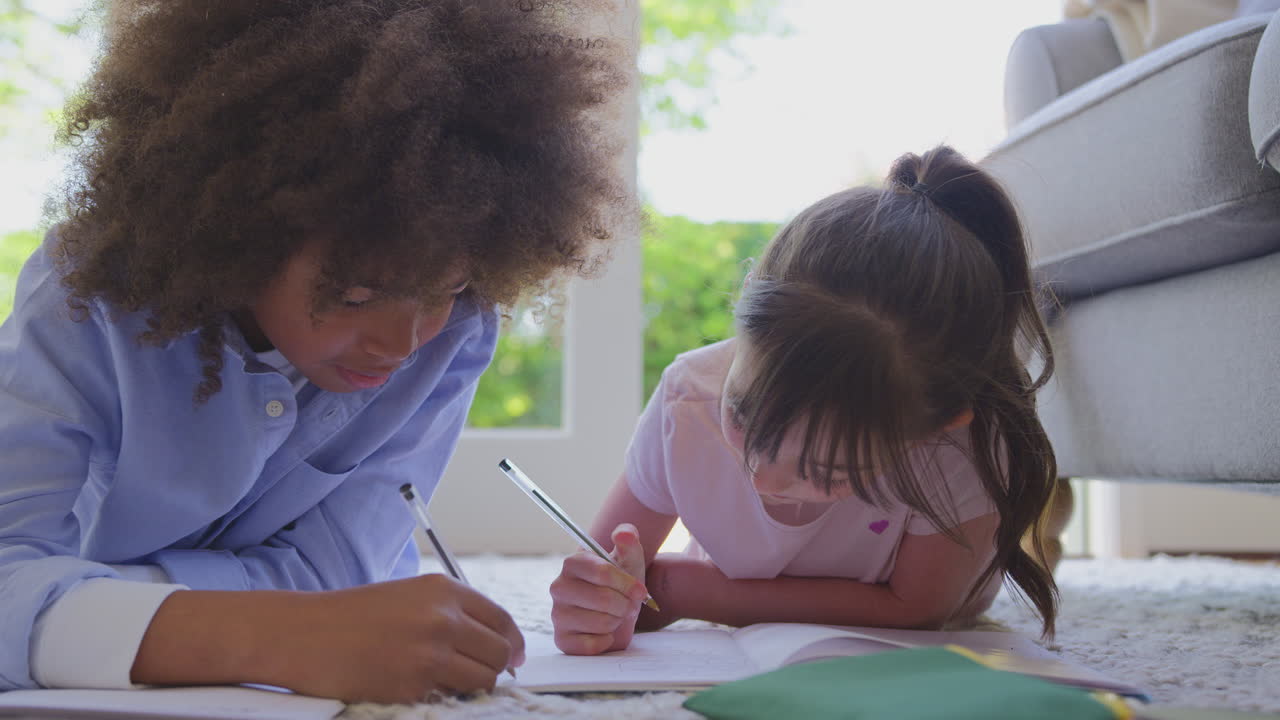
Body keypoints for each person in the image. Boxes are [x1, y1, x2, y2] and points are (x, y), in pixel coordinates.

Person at [0, 0, 635, 703]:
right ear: (239, 232)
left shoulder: (454, 332)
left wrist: (98, 604)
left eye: (443, 288)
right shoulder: (86, 297)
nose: (400, 345)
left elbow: (340, 574)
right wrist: (273, 634)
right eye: (357, 294)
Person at [549, 146, 1061, 656]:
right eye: (743, 414)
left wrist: (684, 591)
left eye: (828, 469)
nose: (761, 478)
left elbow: (918, 608)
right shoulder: (688, 398)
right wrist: (595, 604)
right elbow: (604, 569)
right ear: (746, 304)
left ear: (935, 428)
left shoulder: (958, 447)